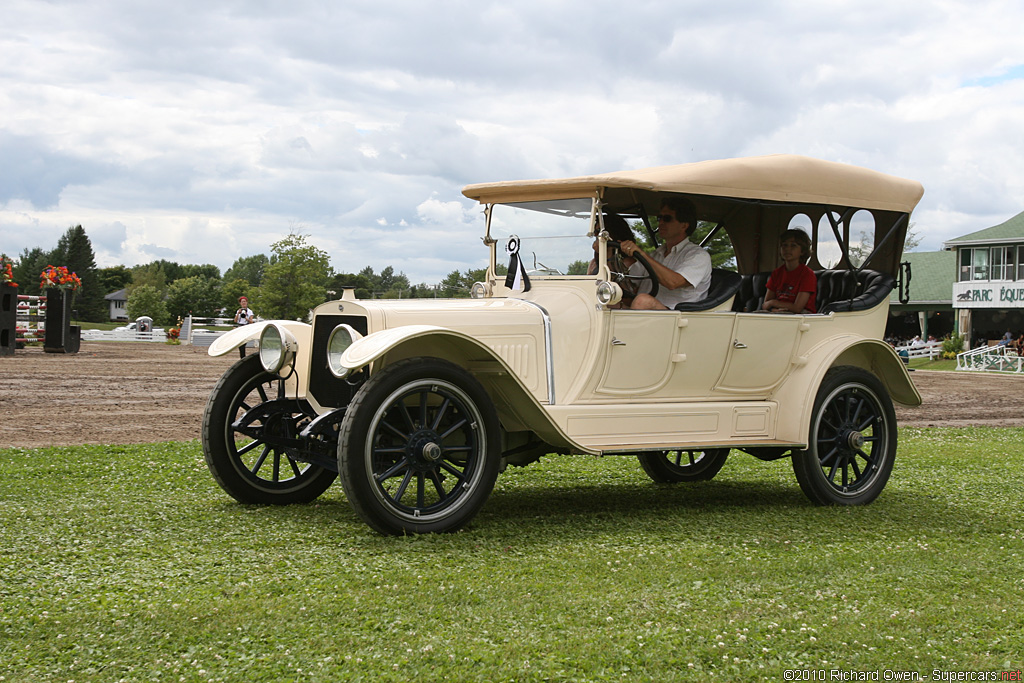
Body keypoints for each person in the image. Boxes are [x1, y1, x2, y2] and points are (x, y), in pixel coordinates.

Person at [617, 197, 712, 310]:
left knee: (643, 301)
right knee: (606, 302)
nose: (661, 222)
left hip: (676, 318)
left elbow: (673, 282)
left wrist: (641, 253)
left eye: (667, 219)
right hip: (646, 313)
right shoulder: (656, 254)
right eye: (659, 218)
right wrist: (609, 254)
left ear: (684, 226)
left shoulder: (698, 256)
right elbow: (629, 283)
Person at [762, 228, 817, 314]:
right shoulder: (777, 273)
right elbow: (765, 304)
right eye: (784, 245)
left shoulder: (807, 274)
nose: (787, 249)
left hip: (803, 316)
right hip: (778, 312)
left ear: (802, 251)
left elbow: (797, 308)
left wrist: (774, 303)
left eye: (793, 245)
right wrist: (774, 310)